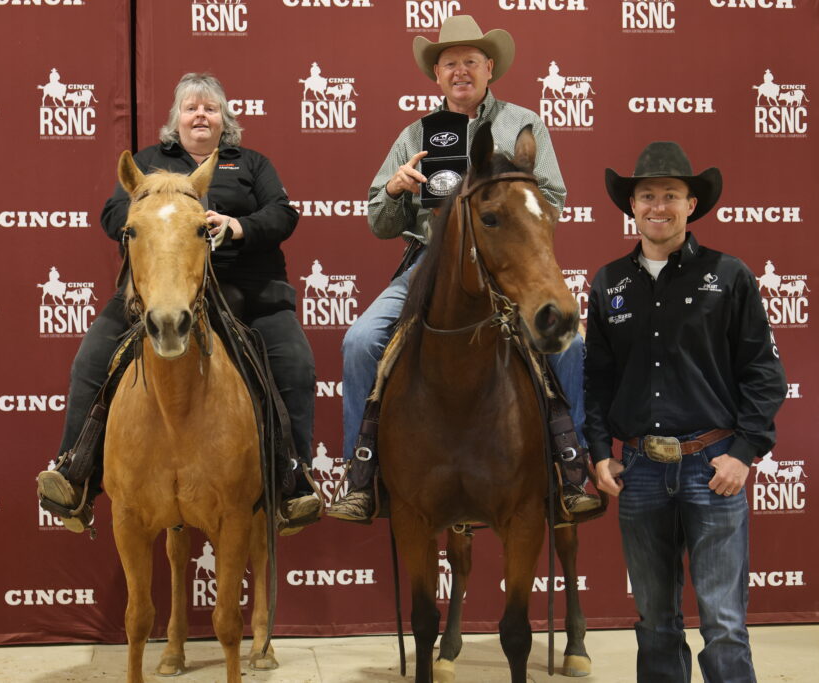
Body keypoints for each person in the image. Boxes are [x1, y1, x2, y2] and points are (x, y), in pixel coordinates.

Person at [328, 14, 598, 521]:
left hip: (509, 263)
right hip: (433, 264)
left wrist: (510, 199)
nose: (460, 71)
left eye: (470, 61)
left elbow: (553, 198)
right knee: (360, 341)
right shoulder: (415, 135)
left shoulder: (525, 124)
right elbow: (378, 222)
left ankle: (572, 466)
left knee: (572, 341)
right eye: (449, 63)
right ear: (436, 75)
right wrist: (395, 189)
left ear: (489, 67)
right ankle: (360, 473)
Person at [37, 72, 319, 534]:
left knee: (295, 365)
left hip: (248, 289)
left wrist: (237, 226)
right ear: (177, 119)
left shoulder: (251, 164)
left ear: (224, 118)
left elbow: (283, 213)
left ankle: (294, 478)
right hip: (159, 288)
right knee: (91, 359)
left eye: (210, 108)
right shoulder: (147, 163)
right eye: (191, 108)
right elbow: (112, 214)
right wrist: (154, 210)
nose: (201, 115)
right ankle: (74, 472)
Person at [585, 141, 786, 682]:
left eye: (670, 195)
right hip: (641, 471)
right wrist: (600, 452)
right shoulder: (608, 283)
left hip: (713, 466)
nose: (658, 206)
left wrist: (743, 454)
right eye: (646, 195)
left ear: (691, 204)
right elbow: (597, 381)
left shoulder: (730, 275)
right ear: (631, 206)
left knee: (723, 622)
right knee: (655, 621)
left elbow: (765, 376)